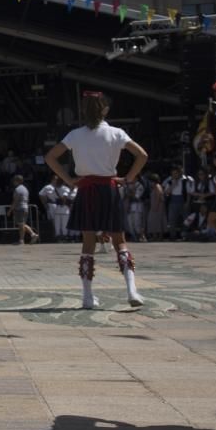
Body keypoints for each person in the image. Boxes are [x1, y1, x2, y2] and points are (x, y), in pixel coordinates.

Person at [45, 91, 148, 310]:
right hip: (109, 188)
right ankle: (131, 290)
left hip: (86, 189)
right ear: (105, 110)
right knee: (119, 241)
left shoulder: (75, 135)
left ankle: (87, 297)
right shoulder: (116, 133)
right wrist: (128, 178)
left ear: (83, 110)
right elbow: (142, 155)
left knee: (88, 244)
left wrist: (70, 180)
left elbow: (50, 157)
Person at [163, 165, 194, 240]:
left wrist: (187, 202)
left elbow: (189, 193)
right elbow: (167, 192)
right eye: (173, 173)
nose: (174, 175)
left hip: (183, 200)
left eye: (176, 173)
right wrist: (173, 185)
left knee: (186, 219)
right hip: (173, 201)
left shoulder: (185, 180)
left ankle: (185, 235)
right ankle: (172, 235)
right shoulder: (170, 181)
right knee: (172, 219)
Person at [10, 175, 39, 246]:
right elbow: (27, 199)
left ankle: (22, 240)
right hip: (25, 207)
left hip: (20, 208)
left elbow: (15, 201)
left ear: (17, 181)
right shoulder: (25, 189)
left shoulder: (17, 189)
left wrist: (10, 210)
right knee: (22, 224)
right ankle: (32, 235)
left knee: (21, 225)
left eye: (14, 181)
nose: (13, 182)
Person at [39, 177, 61, 242]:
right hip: (52, 205)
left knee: (60, 221)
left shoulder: (60, 187)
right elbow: (41, 194)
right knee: (53, 221)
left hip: (60, 205)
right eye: (56, 179)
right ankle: (55, 236)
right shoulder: (47, 187)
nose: (57, 181)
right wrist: (44, 204)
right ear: (52, 179)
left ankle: (60, 236)